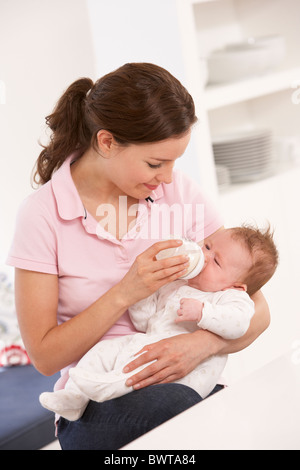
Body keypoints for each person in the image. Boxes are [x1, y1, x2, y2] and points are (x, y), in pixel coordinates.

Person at [7, 63, 271, 450]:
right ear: (108, 142)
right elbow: (45, 357)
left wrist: (200, 346)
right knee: (187, 411)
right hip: (98, 402)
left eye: (174, 162)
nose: (167, 178)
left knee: (217, 413)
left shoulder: (176, 192)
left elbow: (256, 306)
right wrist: (126, 292)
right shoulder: (42, 215)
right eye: (154, 163)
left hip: (179, 383)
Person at [39, 225, 278, 421]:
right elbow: (144, 320)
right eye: (206, 246)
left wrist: (204, 312)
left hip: (187, 372)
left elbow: (239, 324)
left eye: (216, 262)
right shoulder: (178, 284)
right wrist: (141, 292)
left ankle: (104, 388)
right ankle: (73, 397)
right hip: (147, 342)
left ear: (236, 285)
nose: (204, 256)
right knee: (103, 351)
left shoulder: (230, 297)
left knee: (144, 373)